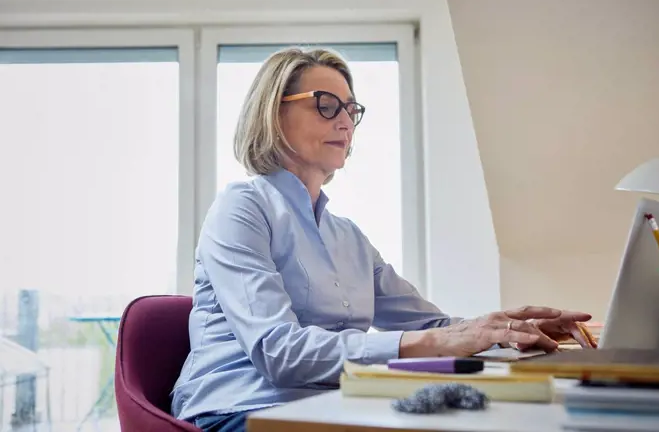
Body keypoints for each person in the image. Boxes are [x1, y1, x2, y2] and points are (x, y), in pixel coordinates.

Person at [171, 47, 593, 432]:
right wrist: (434, 342)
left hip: (330, 408)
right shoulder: (241, 208)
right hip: (238, 411)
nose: (344, 121)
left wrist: (508, 330)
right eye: (326, 105)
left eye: (351, 109)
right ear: (273, 113)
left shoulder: (347, 236)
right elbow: (280, 353)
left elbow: (431, 327)